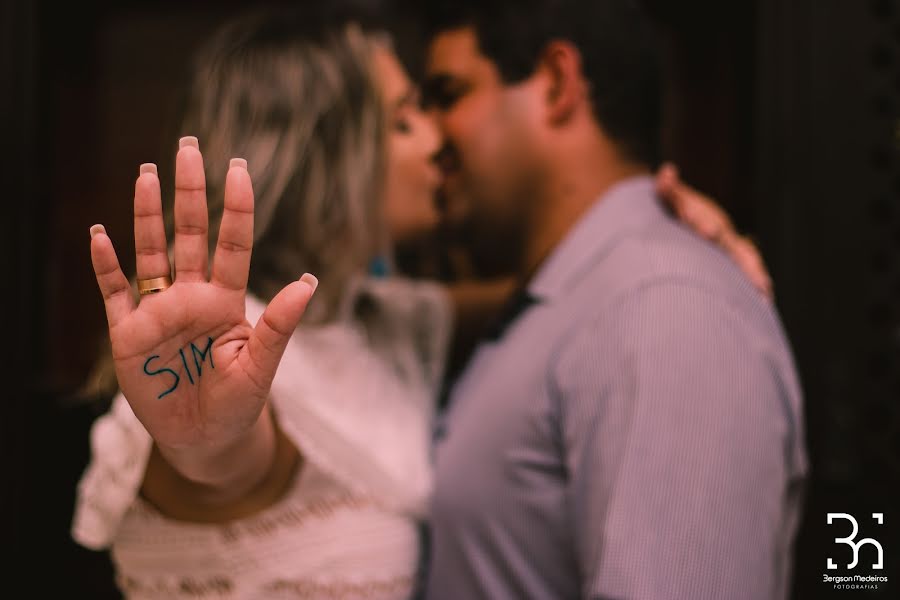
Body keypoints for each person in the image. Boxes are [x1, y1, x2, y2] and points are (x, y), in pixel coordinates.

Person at [73, 4, 777, 599]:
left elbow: (569, 293)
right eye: (409, 117)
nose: (438, 142)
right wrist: (207, 443)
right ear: (330, 153)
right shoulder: (233, 349)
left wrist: (669, 235)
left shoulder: (387, 320)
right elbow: (233, 467)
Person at [418, 1, 807, 598]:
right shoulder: (581, 299)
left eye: (448, 94)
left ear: (556, 83)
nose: (428, 135)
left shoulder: (666, 310)